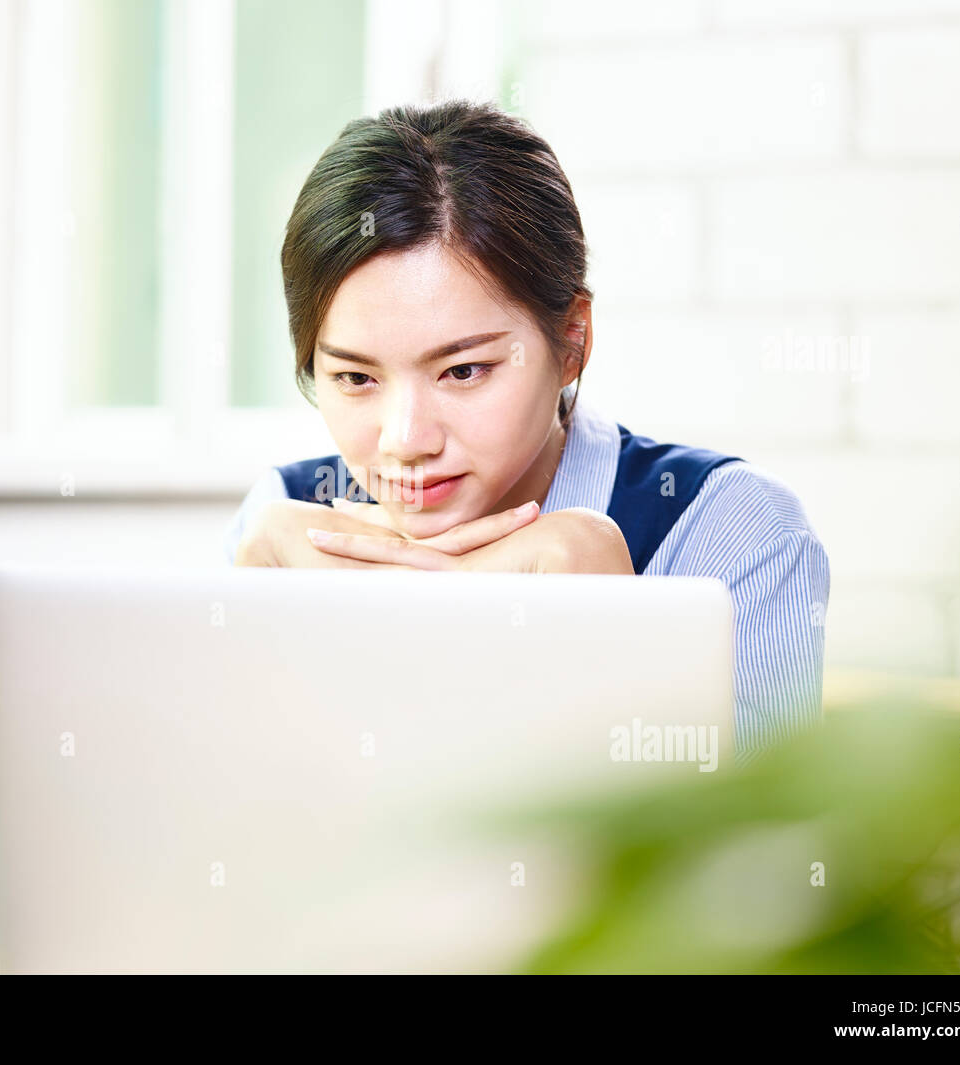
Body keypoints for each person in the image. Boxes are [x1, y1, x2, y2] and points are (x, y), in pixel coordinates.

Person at [223, 100, 829, 763]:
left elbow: (756, 860)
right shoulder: (282, 525)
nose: (405, 440)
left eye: (462, 370)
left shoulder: (731, 531)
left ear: (571, 341)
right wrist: (245, 628)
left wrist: (614, 633)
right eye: (354, 379)